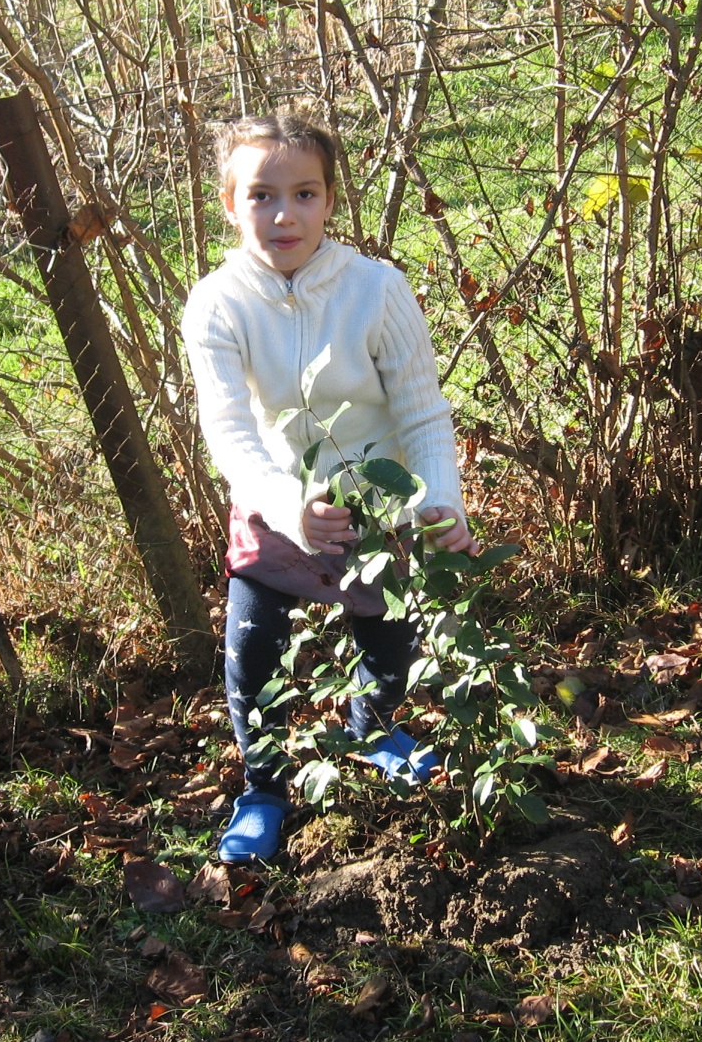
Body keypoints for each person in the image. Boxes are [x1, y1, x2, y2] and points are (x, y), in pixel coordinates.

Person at [180, 114, 479, 864]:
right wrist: (288, 509)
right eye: (260, 196)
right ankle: (265, 786)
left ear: (329, 200)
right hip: (275, 505)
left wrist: (440, 502)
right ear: (228, 203)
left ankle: (372, 725)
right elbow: (229, 431)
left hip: (378, 512)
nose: (284, 215)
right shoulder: (216, 303)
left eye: (304, 194)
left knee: (389, 643)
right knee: (253, 651)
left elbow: (420, 409)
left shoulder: (375, 290)